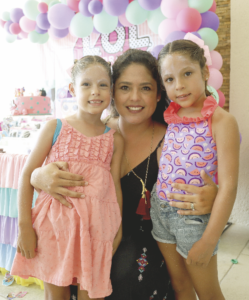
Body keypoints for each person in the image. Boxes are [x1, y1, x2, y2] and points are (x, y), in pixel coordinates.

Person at [30, 49, 219, 300]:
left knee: (124, 275)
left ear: (159, 92)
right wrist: (37, 176)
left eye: (146, 88)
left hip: (152, 238)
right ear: (112, 92)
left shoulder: (173, 138)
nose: (134, 97)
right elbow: (49, 167)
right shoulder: (95, 134)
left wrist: (211, 196)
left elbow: (206, 180)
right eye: (124, 87)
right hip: (90, 234)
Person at [11, 56, 124, 300]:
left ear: (112, 89)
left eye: (103, 85)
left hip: (97, 231)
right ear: (73, 88)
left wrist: (118, 227)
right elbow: (27, 175)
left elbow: (114, 186)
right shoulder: (55, 127)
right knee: (56, 296)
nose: (95, 92)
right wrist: (24, 227)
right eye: (86, 84)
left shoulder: (115, 139)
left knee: (92, 295)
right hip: (54, 230)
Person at [150, 38, 240, 300]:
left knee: (208, 291)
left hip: (194, 219)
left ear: (204, 72)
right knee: (180, 286)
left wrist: (210, 239)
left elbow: (229, 186)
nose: (178, 86)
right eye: (169, 79)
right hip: (161, 210)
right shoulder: (173, 116)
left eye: (187, 74)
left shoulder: (222, 121)